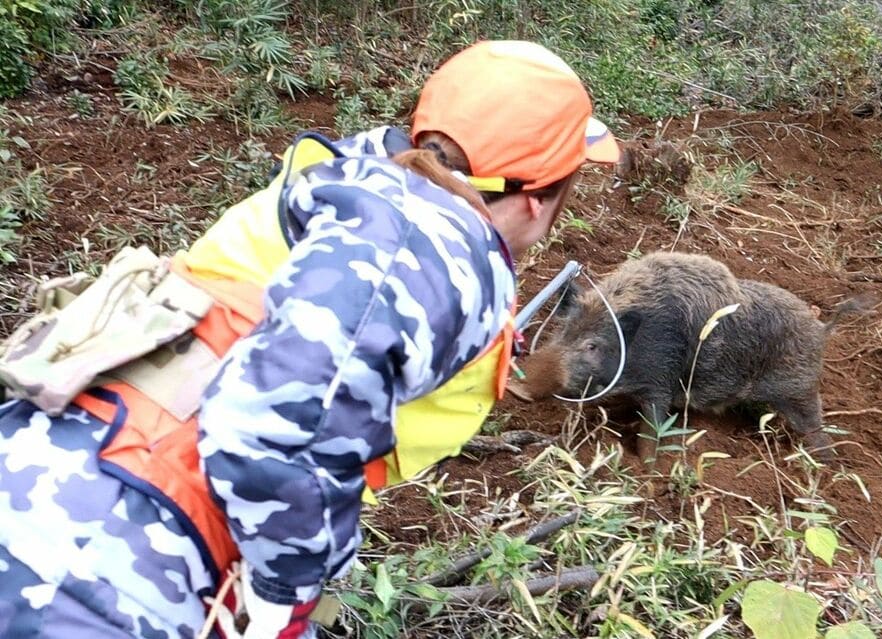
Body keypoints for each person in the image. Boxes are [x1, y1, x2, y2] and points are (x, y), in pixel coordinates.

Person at [0, 39, 619, 639]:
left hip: (49, 467)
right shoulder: (422, 242)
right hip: (109, 556)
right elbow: (282, 418)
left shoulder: (354, 178)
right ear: (539, 200)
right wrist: (285, 596)